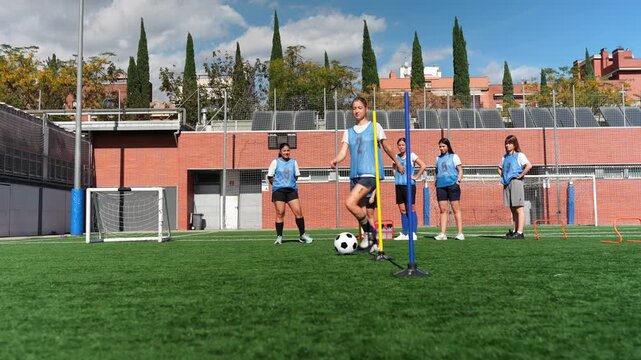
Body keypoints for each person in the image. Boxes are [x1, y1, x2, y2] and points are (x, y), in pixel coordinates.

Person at [330, 96, 404, 252]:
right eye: (354, 108)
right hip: (355, 175)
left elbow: (387, 147)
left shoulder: (375, 126)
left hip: (369, 174)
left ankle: (371, 233)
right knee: (362, 211)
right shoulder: (348, 132)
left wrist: (397, 163)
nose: (356, 111)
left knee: (350, 203)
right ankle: (373, 242)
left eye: (359, 107)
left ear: (366, 109)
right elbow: (343, 152)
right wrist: (335, 160)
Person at [267, 143, 313, 245]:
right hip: (279, 191)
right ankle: (279, 237)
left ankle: (302, 235)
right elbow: (270, 176)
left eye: (288, 150)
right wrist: (278, 185)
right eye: (284, 151)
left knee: (298, 212)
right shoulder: (275, 162)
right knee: (280, 213)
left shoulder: (294, 162)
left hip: (291, 191)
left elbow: (296, 176)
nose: (286, 152)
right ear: (280, 152)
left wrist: (289, 183)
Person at [497, 135, 532, 239]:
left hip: (516, 182)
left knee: (519, 208)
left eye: (510, 143)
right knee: (512, 209)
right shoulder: (505, 157)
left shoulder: (519, 155)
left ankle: (520, 233)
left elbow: (529, 165)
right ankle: (514, 231)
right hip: (507, 183)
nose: (507, 145)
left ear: (514, 144)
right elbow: (499, 168)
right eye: (506, 143)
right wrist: (503, 176)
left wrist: (521, 175)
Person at [392, 137, 427, 240]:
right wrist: (396, 176)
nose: (401, 147)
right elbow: (393, 168)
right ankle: (405, 233)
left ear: (406, 145)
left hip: (409, 186)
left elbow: (423, 165)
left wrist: (416, 176)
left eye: (403, 145)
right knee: (402, 210)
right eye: (399, 145)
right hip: (399, 186)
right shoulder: (396, 157)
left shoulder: (411, 155)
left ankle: (413, 233)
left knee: (410, 209)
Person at [433, 138, 464, 241]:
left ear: (448, 146)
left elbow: (460, 171)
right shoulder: (437, 158)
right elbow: (436, 171)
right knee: (443, 210)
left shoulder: (454, 156)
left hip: (452, 185)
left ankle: (460, 233)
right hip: (441, 186)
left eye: (443, 146)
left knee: (456, 209)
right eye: (440, 146)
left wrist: (458, 182)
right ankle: (442, 233)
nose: (441, 148)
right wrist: (436, 182)